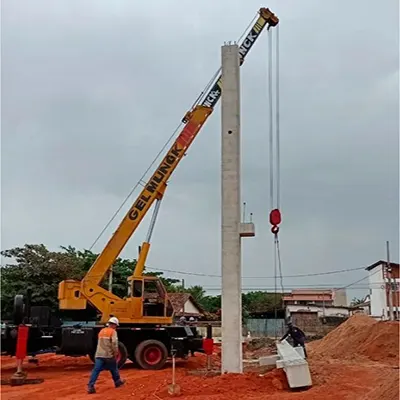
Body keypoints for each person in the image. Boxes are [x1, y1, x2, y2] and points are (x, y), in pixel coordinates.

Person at [87, 317, 126, 394]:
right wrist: (115, 353)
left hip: (99, 354)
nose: (116, 327)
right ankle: (117, 382)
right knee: (114, 368)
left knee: (96, 370)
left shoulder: (102, 331)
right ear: (114, 325)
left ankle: (90, 386)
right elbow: (114, 344)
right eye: (116, 325)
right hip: (108, 355)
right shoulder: (113, 332)